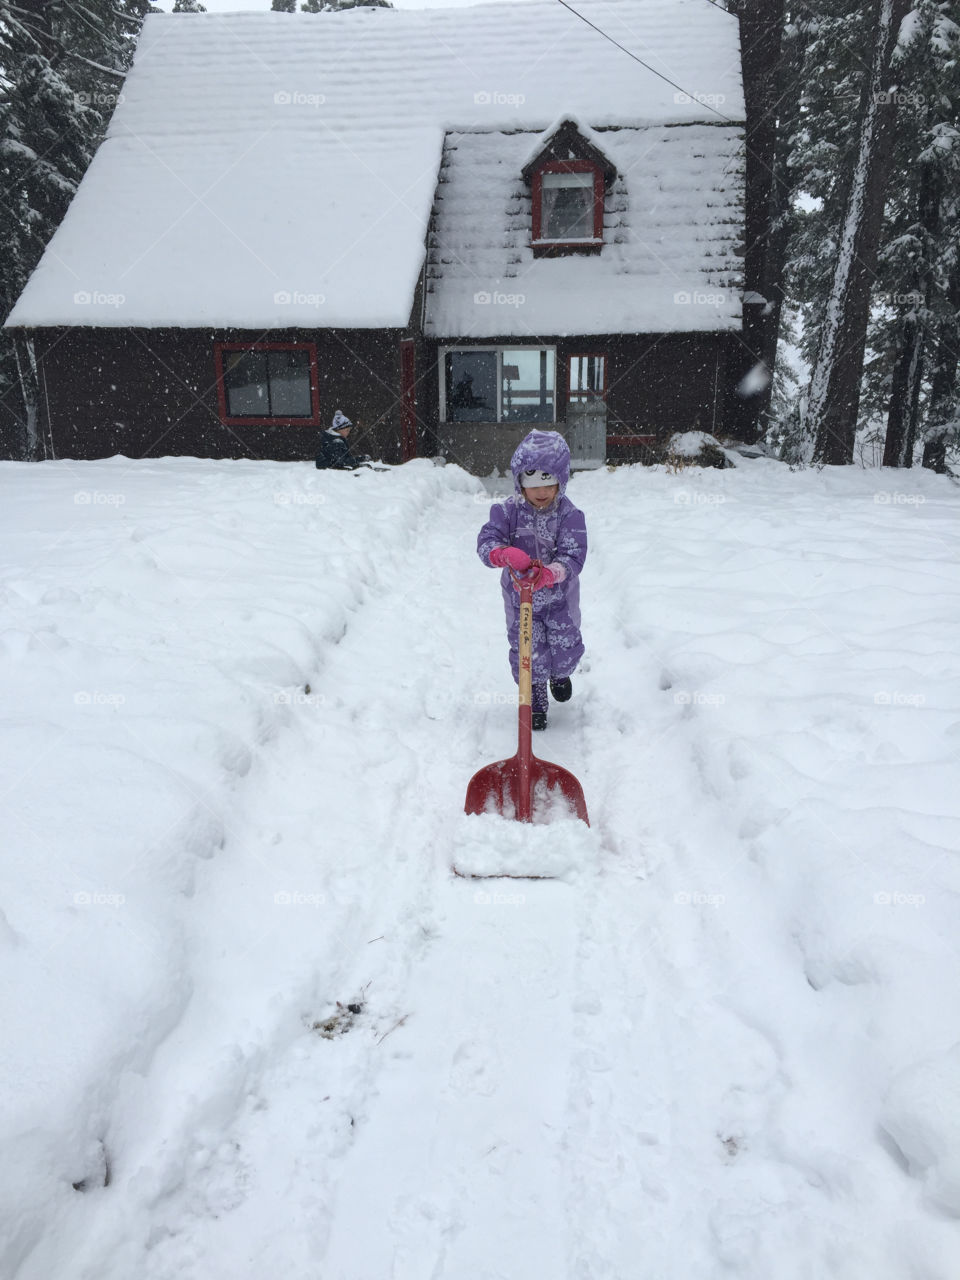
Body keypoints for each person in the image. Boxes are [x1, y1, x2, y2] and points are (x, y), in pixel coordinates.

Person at [477, 429, 587, 730]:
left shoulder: (570, 515)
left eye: (549, 481)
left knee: (564, 645)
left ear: (561, 480)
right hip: (519, 598)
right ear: (519, 480)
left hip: (560, 597)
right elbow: (487, 542)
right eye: (532, 481)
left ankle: (560, 673)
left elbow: (574, 554)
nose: (541, 491)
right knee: (528, 648)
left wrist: (551, 572)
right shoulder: (506, 511)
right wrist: (502, 554)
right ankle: (535, 696)